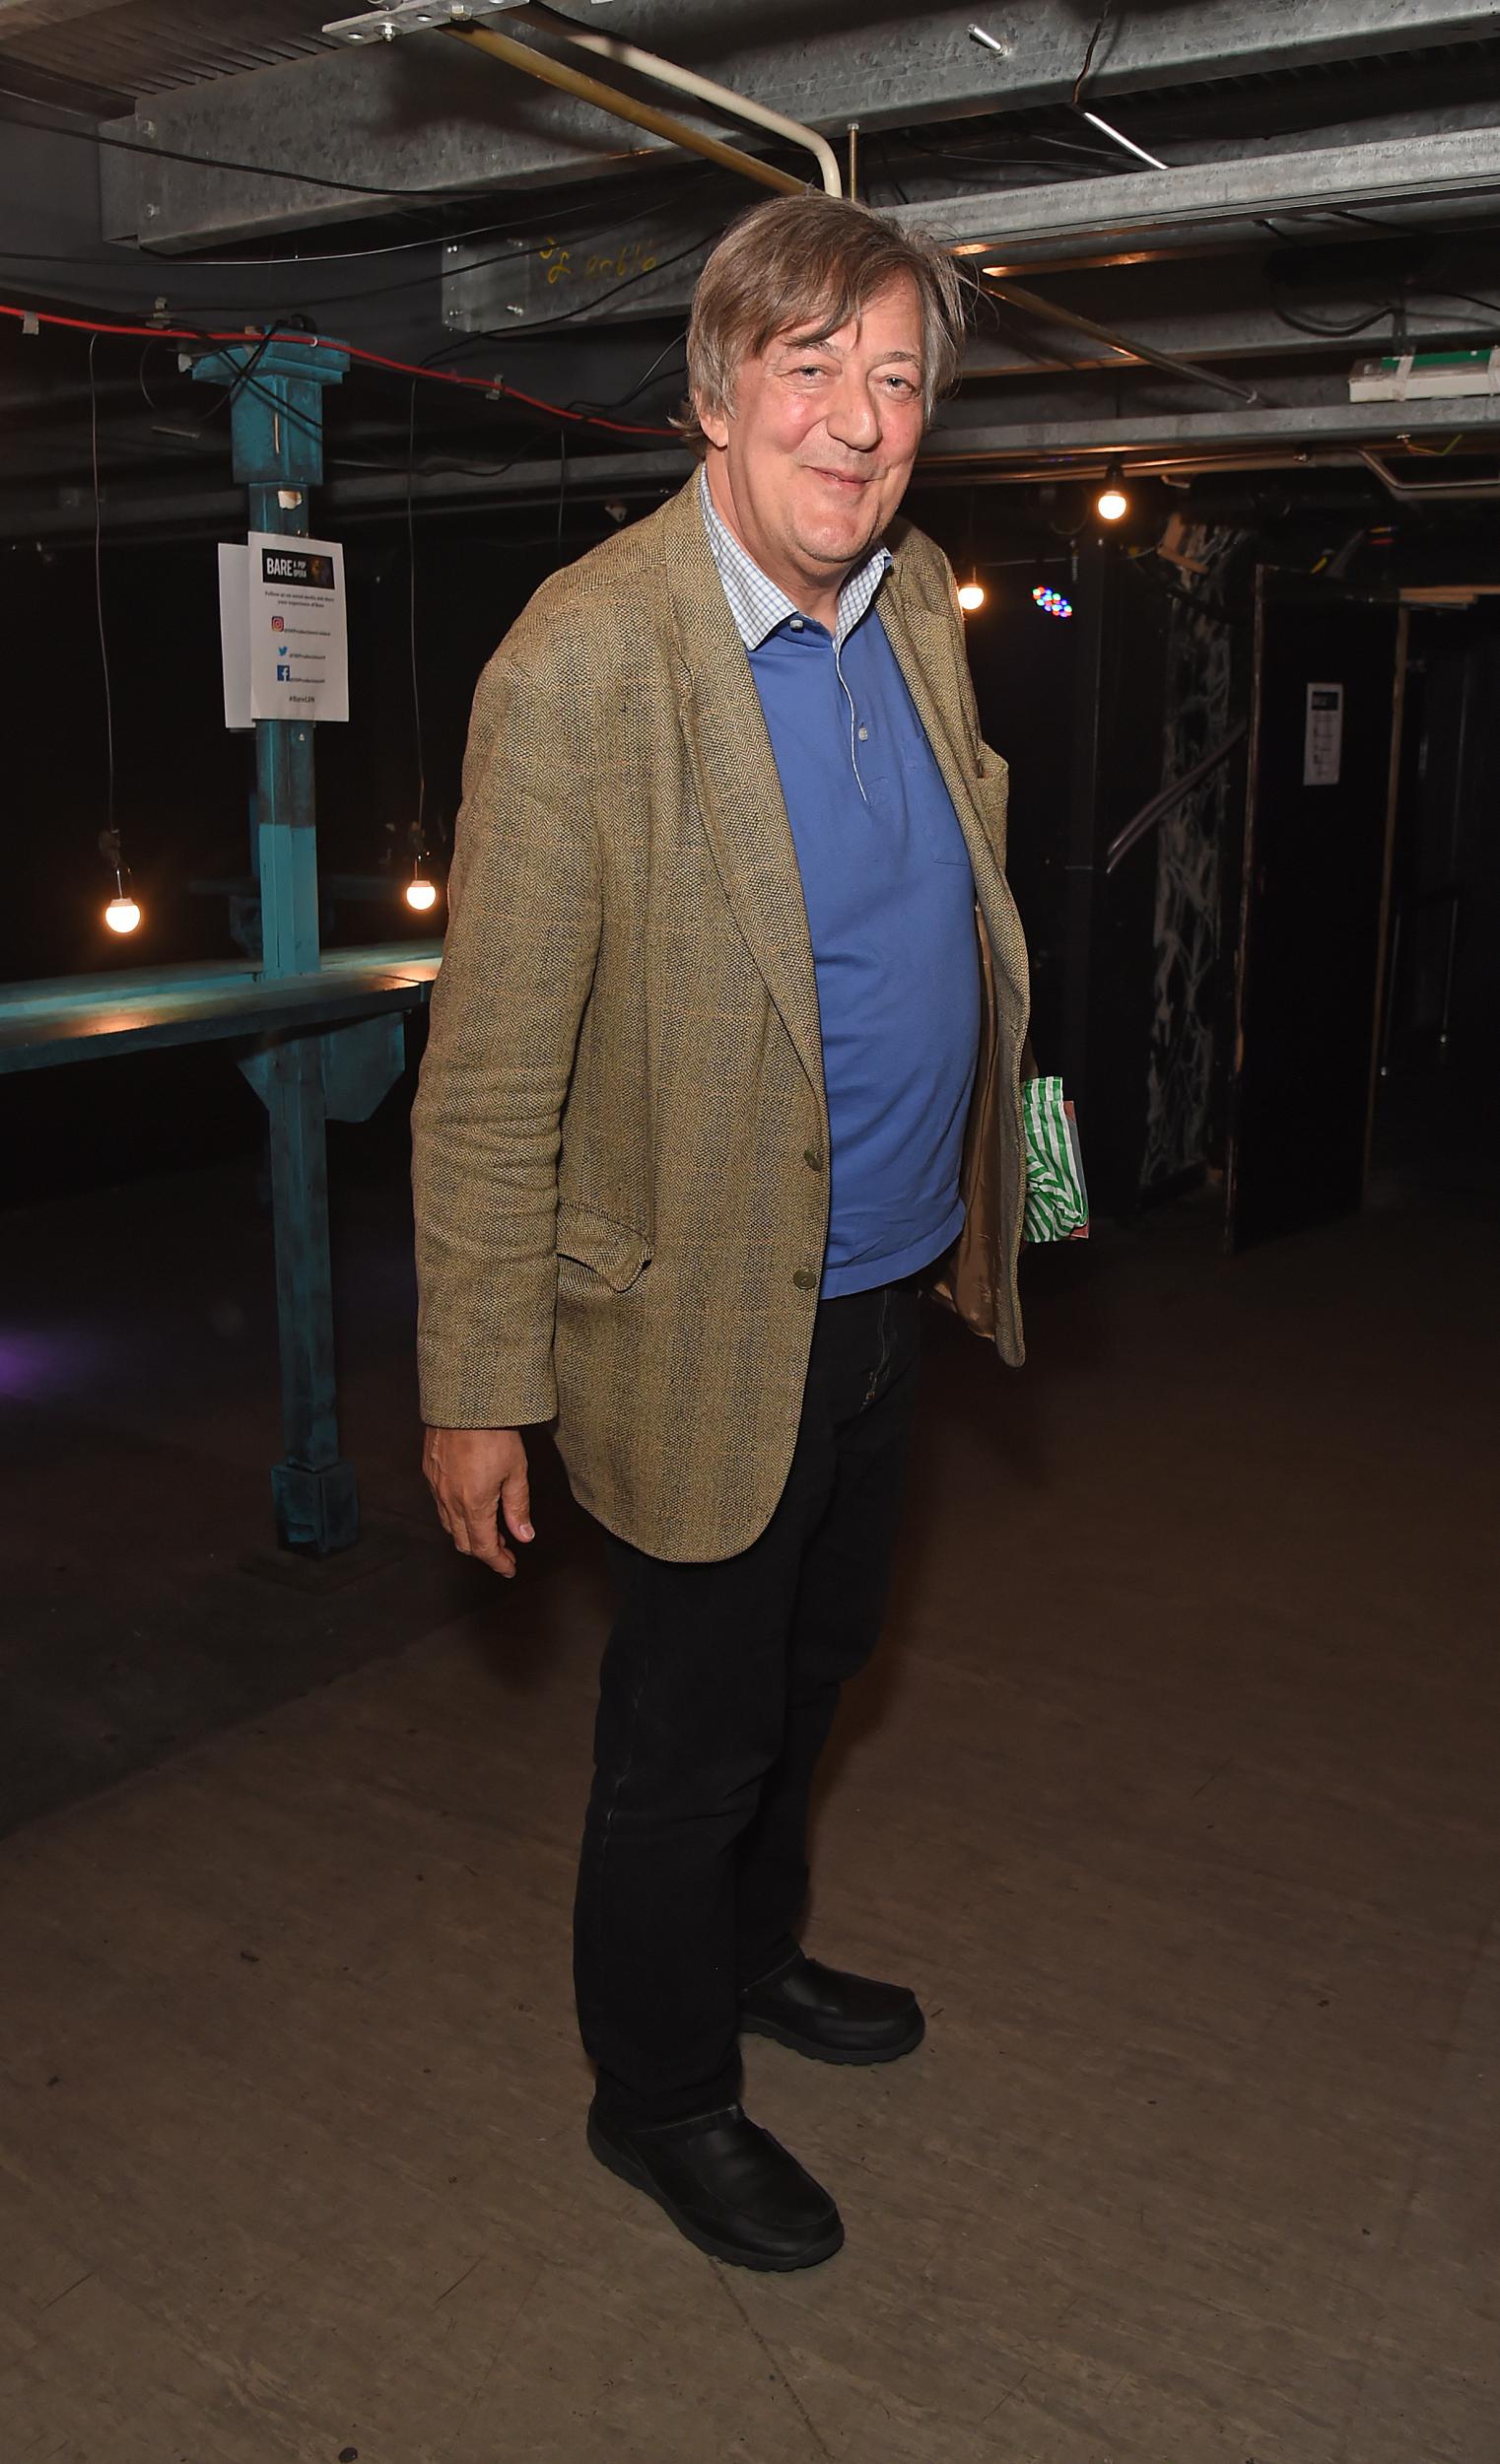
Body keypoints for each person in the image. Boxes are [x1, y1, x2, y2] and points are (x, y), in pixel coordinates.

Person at [411, 192, 1030, 2273]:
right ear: (709, 393)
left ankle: (752, 1962)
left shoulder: (917, 590)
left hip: (877, 1293)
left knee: (816, 1672)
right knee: (682, 1744)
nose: (859, 426)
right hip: (687, 1320)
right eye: (811, 371)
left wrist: (1023, 1207)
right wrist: (475, 1388)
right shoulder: (581, 665)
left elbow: (981, 940)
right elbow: (490, 1071)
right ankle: (656, 2093)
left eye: (897, 381)